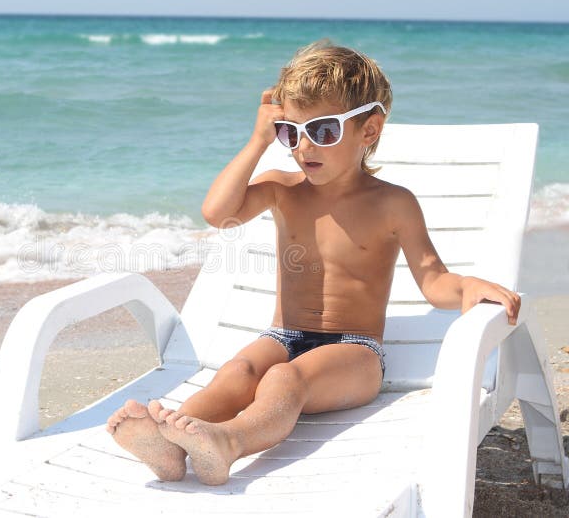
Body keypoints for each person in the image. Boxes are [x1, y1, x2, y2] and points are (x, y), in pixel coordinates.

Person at [105, 39, 521, 486]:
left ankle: (229, 443)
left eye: (323, 130)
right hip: (283, 334)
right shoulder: (282, 189)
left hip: (356, 351)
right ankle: (172, 443)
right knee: (238, 371)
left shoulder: (393, 204)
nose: (304, 146)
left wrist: (468, 287)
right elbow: (216, 213)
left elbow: (434, 279)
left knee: (286, 378)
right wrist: (258, 139)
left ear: (370, 130)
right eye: (291, 132)